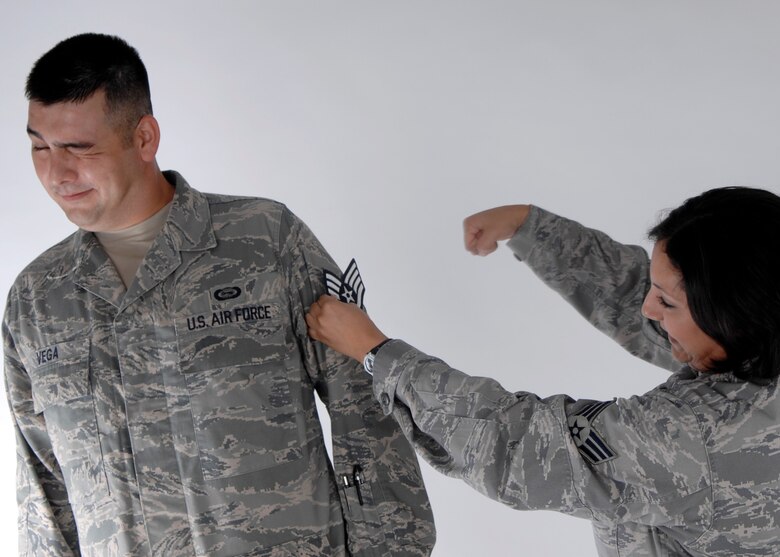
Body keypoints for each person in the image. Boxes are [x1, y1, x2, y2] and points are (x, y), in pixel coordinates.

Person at [2, 33, 434, 557]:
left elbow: (361, 404)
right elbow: (44, 495)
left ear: (144, 138)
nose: (55, 172)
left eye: (79, 148)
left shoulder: (266, 241)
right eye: (39, 147)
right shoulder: (36, 300)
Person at [306, 188, 780, 556]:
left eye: (667, 302)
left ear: (731, 315)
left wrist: (376, 352)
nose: (648, 307)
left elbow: (519, 444)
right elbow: (640, 292)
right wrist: (529, 228)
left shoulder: (691, 437)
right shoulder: (763, 332)